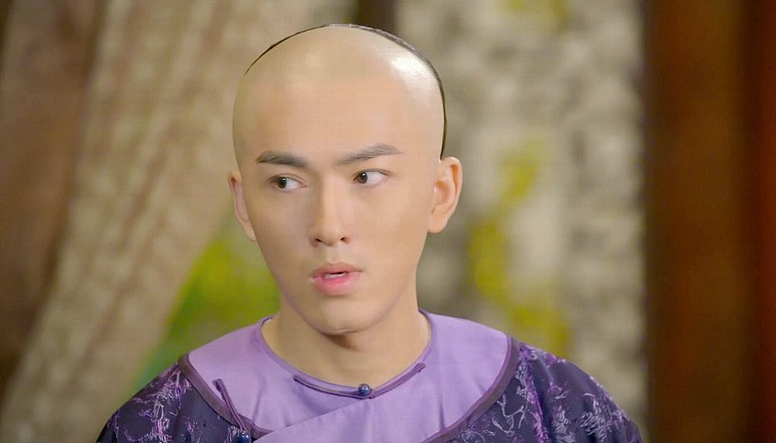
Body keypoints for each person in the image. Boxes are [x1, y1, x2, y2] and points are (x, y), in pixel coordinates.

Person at [97, 24, 642, 443]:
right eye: (285, 182)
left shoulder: (556, 410)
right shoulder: (163, 425)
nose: (328, 226)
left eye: (366, 177)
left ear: (440, 193)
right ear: (243, 204)